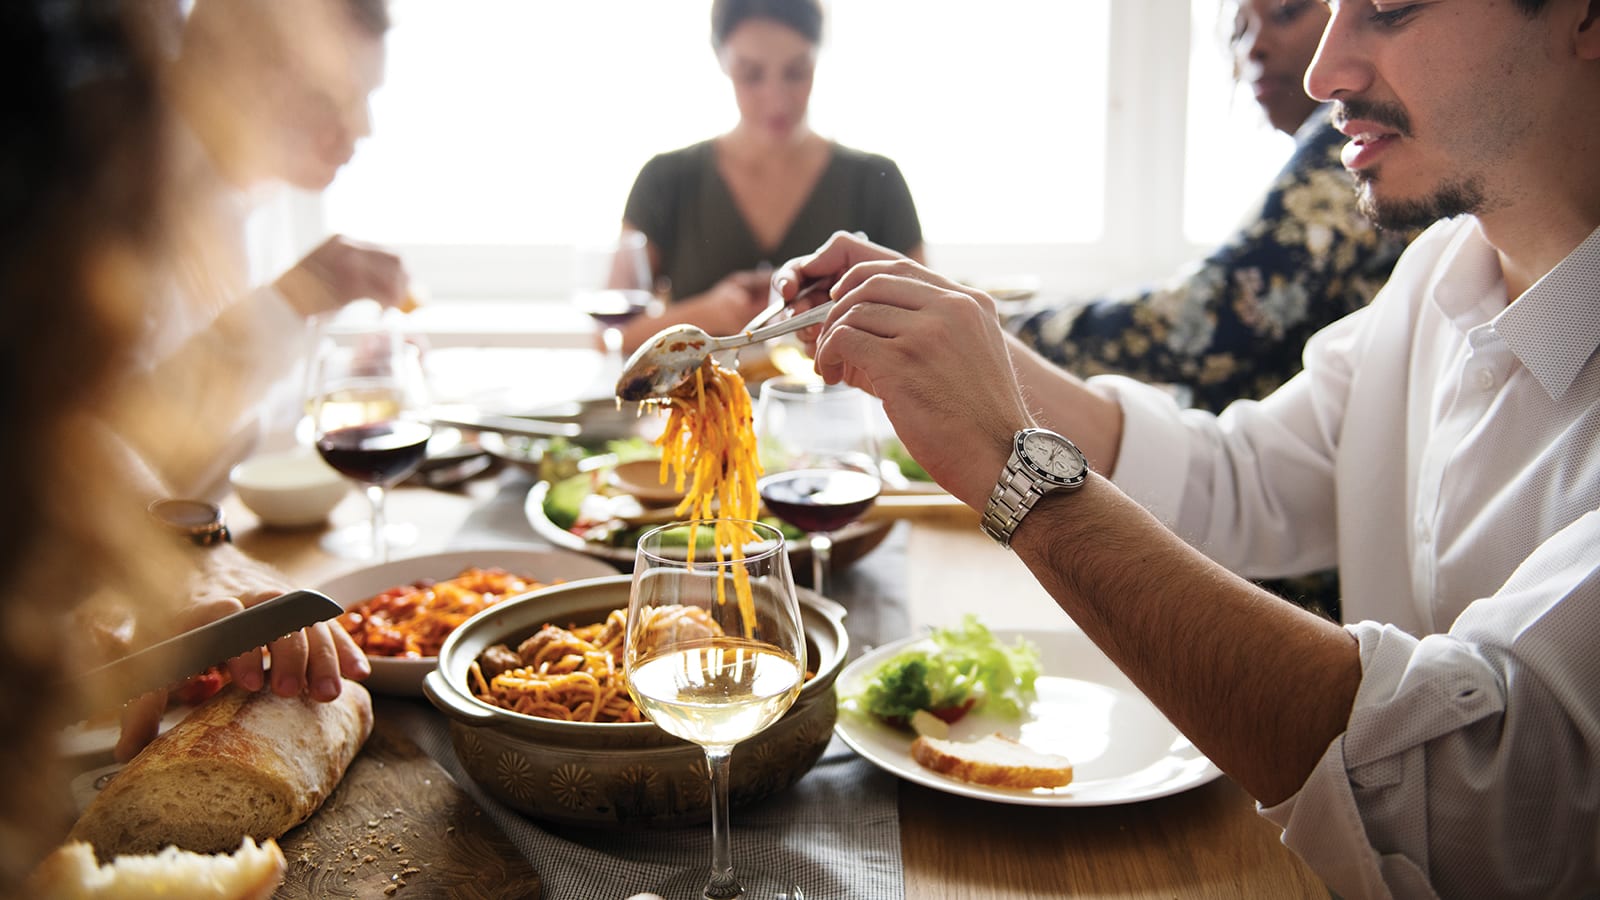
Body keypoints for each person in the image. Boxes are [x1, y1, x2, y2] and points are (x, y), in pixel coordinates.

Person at [775, 0, 1600, 893]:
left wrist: (1018, 470)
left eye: (1389, 7)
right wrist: (957, 326)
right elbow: (1233, 478)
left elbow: (1475, 792)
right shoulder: (1442, 267)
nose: (1324, 73)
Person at [1009, 0, 1416, 416]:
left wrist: (1006, 330)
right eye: (1239, 32)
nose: (1254, 47)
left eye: (1286, 12)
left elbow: (1214, 314)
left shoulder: (1351, 146)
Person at [609, 0, 924, 355]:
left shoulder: (877, 182)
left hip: (843, 409)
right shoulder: (665, 180)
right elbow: (612, 339)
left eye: (796, 72)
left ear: (818, 57)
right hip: (699, 410)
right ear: (721, 58)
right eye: (751, 74)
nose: (776, 100)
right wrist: (710, 313)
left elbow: (926, 326)